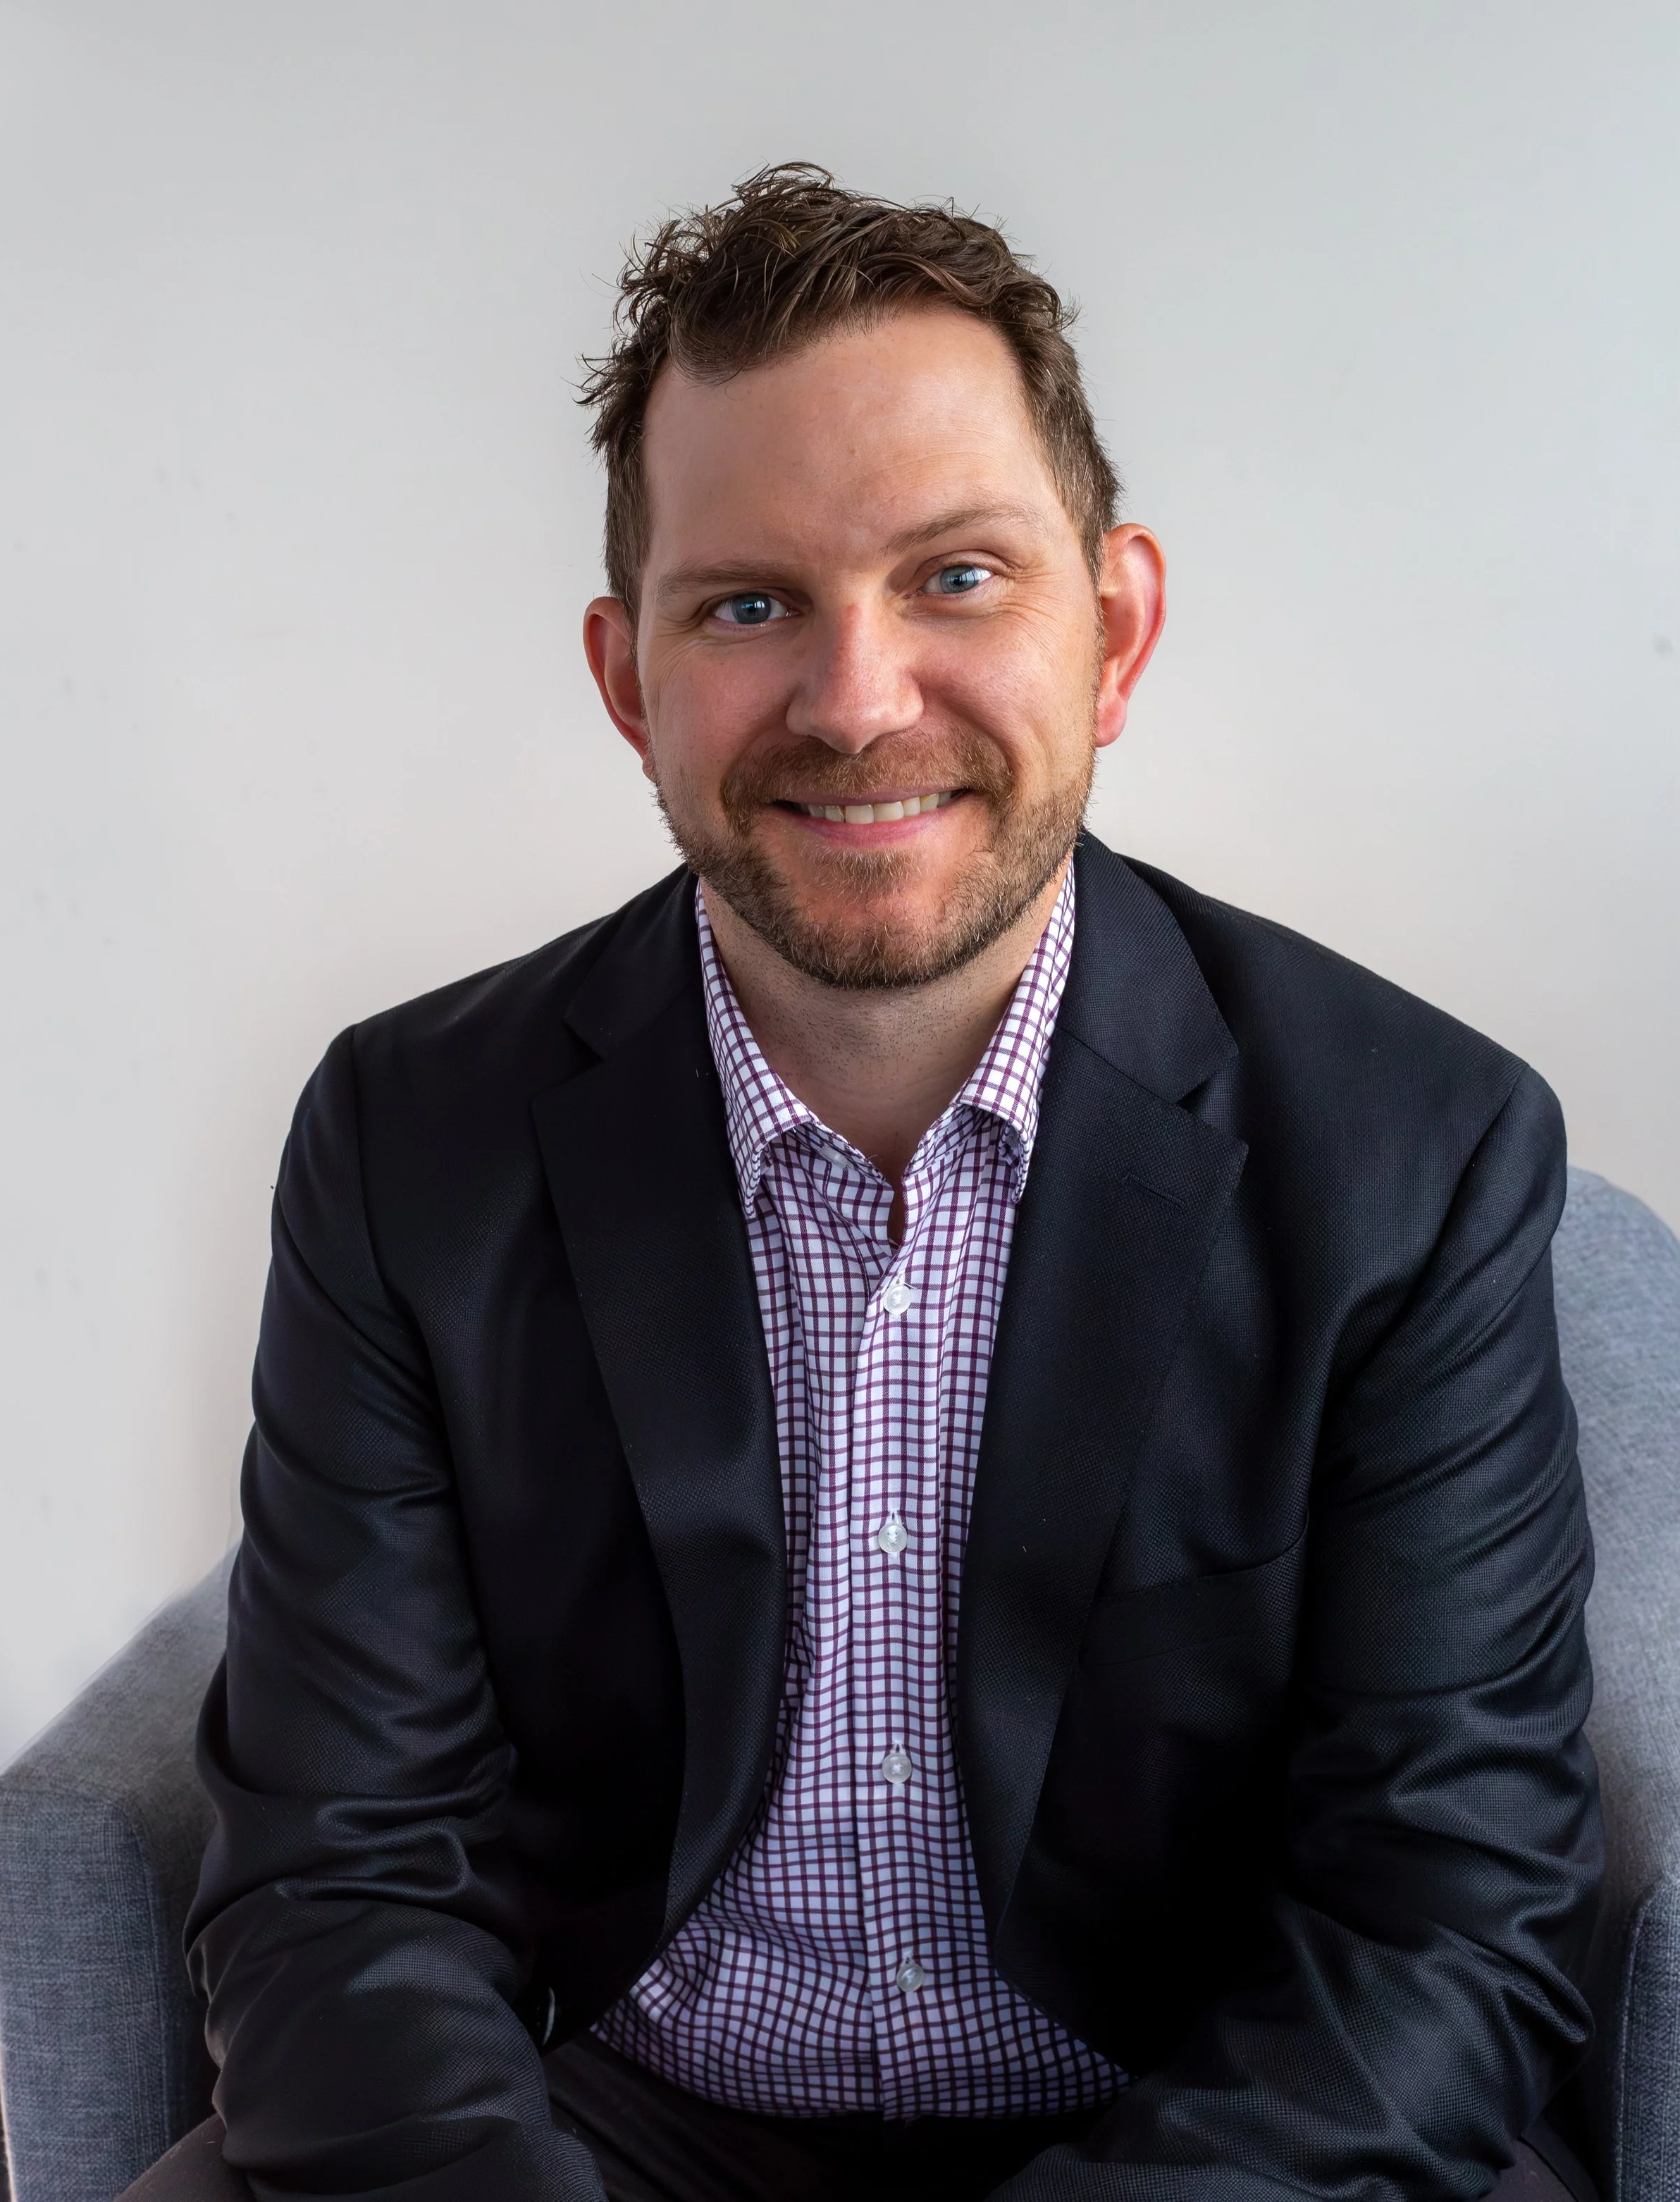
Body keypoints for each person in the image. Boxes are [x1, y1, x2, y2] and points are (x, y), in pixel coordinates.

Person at [176, 164, 1601, 2202]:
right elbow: (336, 1858)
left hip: (1201, 2131)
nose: (855, 701)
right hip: (602, 2120)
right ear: (626, 677)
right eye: (748, 602)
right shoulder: (413, 1137)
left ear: (1110, 630)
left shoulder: (1415, 1150)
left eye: (954, 577)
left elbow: (1445, 1910)